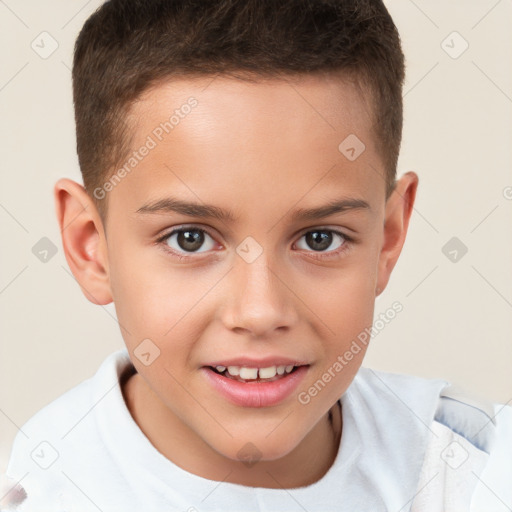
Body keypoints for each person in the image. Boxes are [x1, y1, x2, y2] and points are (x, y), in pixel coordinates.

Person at [2, 0, 511, 510]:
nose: (261, 311)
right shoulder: (43, 493)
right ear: (91, 247)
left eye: (319, 239)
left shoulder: (475, 474)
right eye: (190, 239)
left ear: (389, 235)